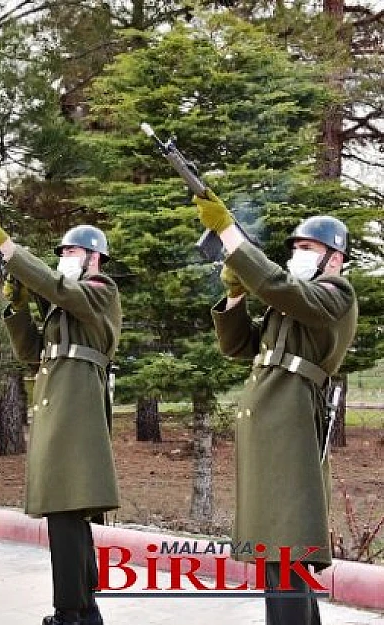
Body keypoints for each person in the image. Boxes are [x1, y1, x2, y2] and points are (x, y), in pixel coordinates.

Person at [196, 195, 358, 625]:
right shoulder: (294, 302)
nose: (297, 255)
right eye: (296, 248)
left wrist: (230, 236)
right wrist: (234, 295)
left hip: (291, 427)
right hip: (270, 430)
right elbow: (238, 346)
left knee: (285, 547)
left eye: (308, 248)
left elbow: (280, 287)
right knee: (279, 549)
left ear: (335, 258)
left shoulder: (335, 295)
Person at [0, 213, 121, 625]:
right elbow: (32, 351)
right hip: (60, 409)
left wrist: (7, 247)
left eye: (72, 251)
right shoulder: (67, 303)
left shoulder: (100, 290)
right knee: (67, 512)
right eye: (62, 252)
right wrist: (18, 308)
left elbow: (59, 289)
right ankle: (85, 608)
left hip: (78, 411)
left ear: (95, 258)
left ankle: (68, 612)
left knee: (65, 511)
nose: (65, 257)